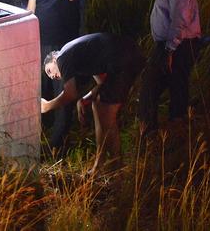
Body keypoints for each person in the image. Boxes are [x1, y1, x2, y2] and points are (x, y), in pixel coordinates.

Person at [41, 33, 144, 173]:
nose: (52, 76)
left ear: (53, 59)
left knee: (101, 108)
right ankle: (115, 163)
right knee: (101, 107)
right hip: (129, 53)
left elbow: (70, 93)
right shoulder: (78, 56)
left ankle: (101, 165)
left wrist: (47, 106)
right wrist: (84, 99)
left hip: (122, 59)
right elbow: (102, 84)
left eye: (49, 71)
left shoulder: (62, 57)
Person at [26, 0, 87, 153]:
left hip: (64, 43)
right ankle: (32, 140)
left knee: (62, 91)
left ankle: (58, 145)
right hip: (39, 42)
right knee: (36, 90)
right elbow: (30, 10)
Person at [140, 0, 201, 138]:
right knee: (158, 85)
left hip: (180, 44)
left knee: (169, 86)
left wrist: (170, 49)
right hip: (170, 44)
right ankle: (155, 133)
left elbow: (180, 17)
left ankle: (173, 132)